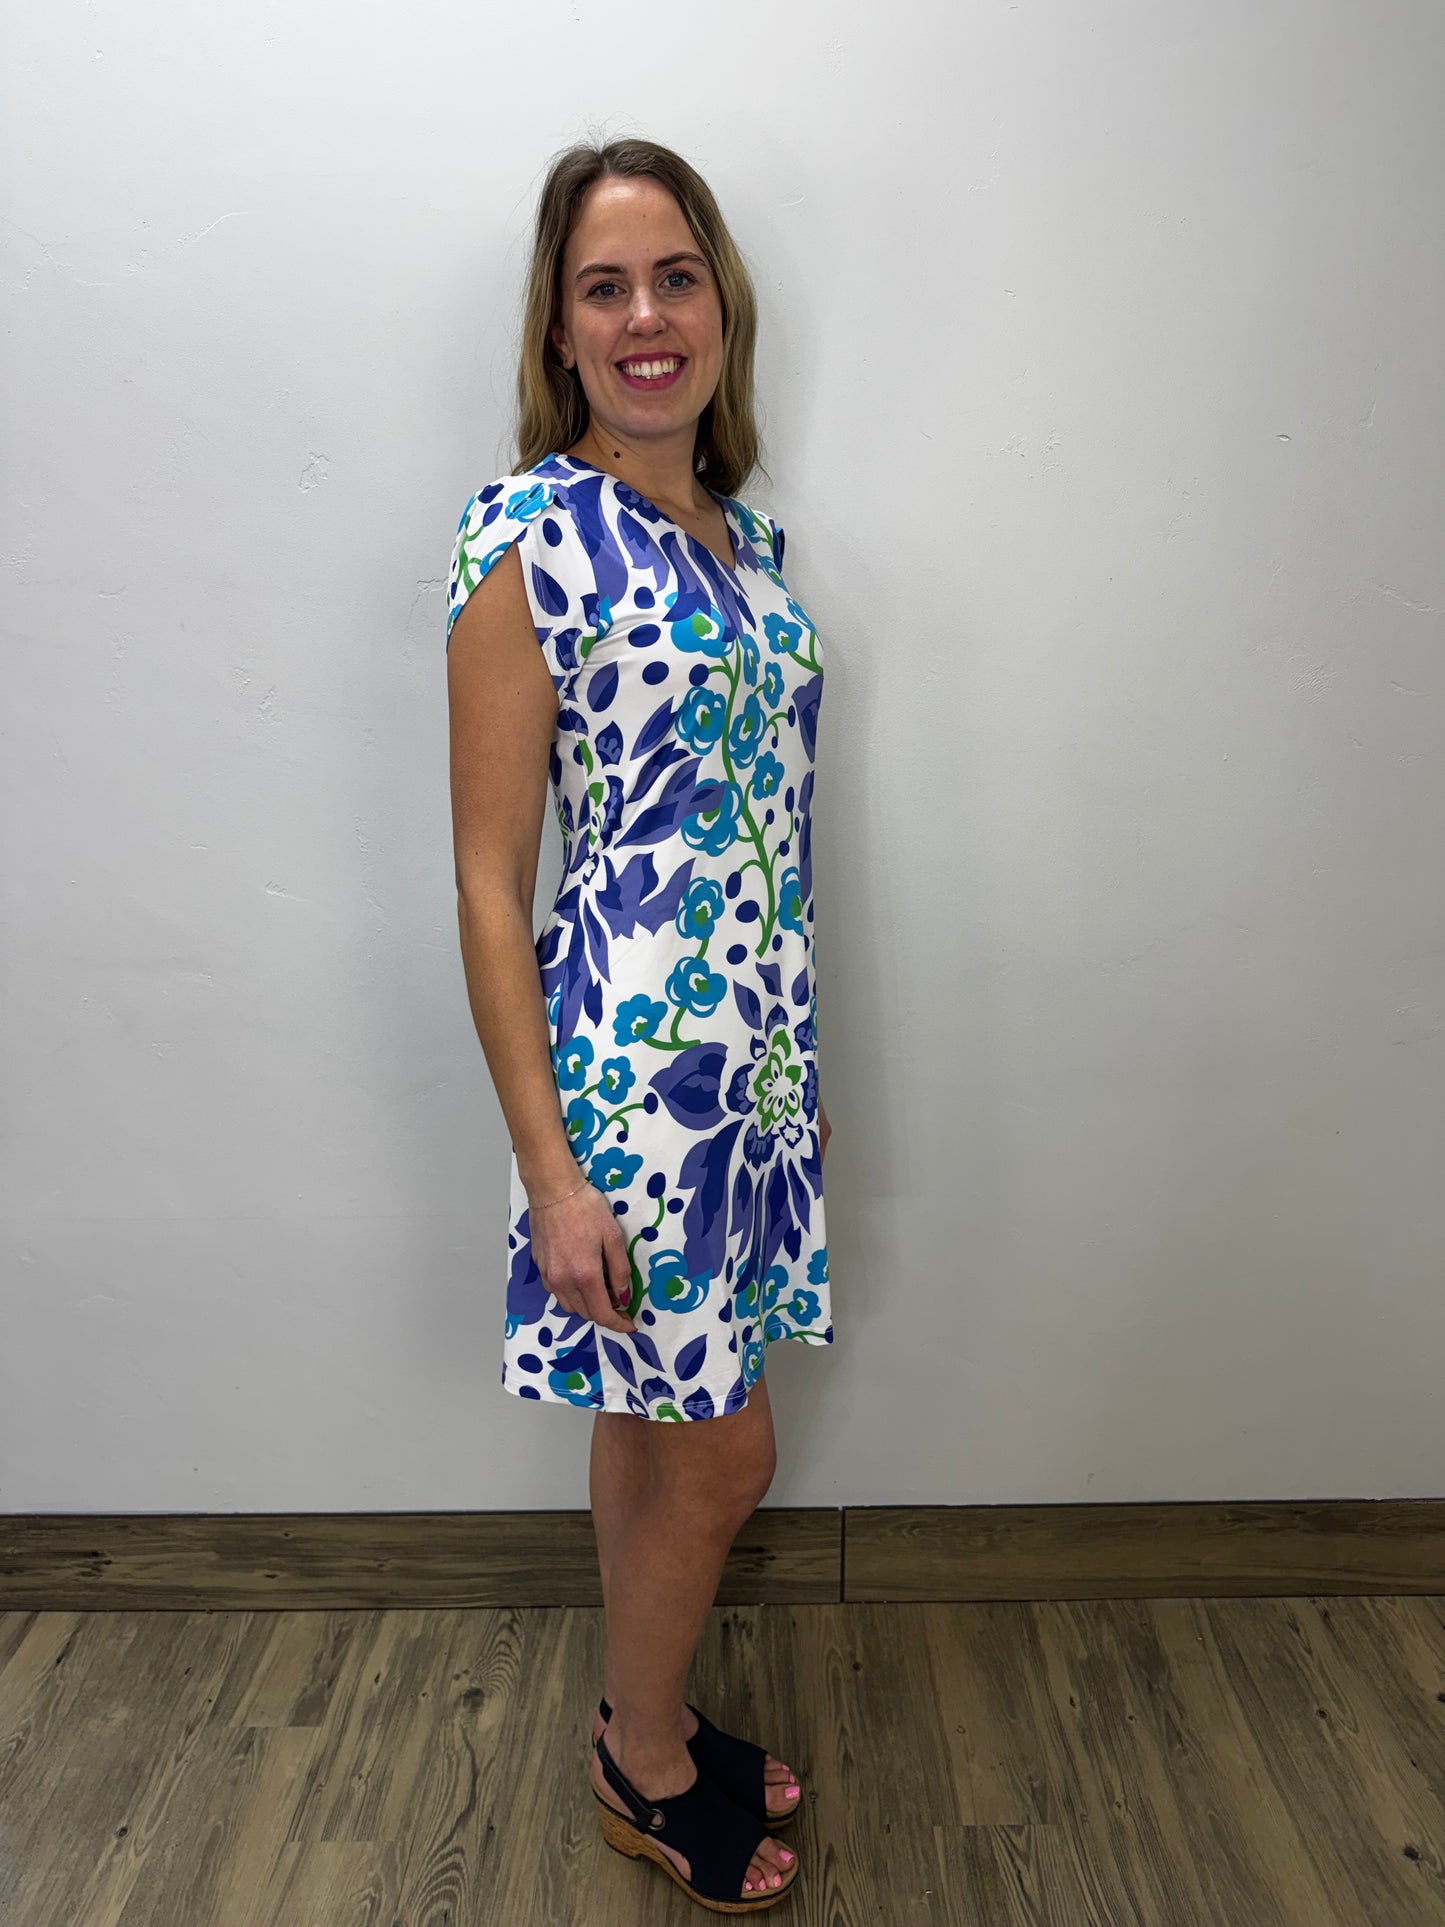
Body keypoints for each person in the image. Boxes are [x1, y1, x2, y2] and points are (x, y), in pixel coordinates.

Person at [444, 136, 832, 1912]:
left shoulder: (747, 543)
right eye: (602, 287)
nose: (644, 315)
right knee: (726, 1449)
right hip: (635, 1092)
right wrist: (550, 1170)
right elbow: (487, 878)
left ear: (717, 305)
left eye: (673, 276)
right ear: (560, 328)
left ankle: (637, 1711)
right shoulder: (526, 538)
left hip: (752, 1078)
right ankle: (646, 1764)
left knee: (647, 1422)